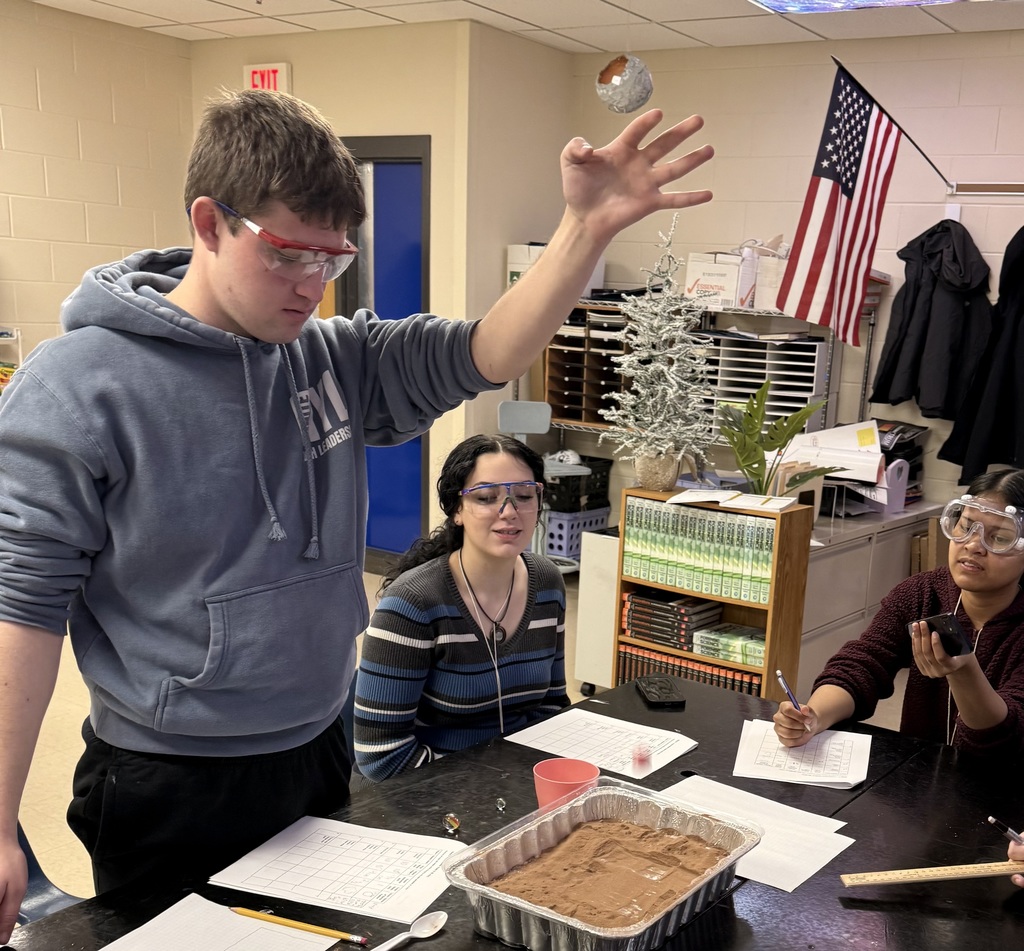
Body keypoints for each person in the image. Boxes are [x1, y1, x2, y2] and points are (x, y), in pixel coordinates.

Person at [0, 86, 713, 939]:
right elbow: (21, 614)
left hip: (315, 750)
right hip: (169, 775)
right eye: (290, 255)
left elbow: (488, 348)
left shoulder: (331, 359)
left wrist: (585, 229)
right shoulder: (77, 387)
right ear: (209, 221)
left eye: (332, 261)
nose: (312, 286)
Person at [353, 434, 568, 780]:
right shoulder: (414, 602)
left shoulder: (547, 582)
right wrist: (488, 783)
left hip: (517, 784)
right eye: (486, 497)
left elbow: (551, 707)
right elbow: (381, 756)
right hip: (428, 793)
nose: (509, 512)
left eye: (525, 496)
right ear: (457, 510)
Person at [774, 468, 1024, 758]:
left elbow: (1007, 739)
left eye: (1000, 538)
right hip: (918, 781)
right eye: (965, 526)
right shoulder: (922, 593)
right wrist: (813, 717)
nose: (972, 545)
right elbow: (863, 664)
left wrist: (965, 673)